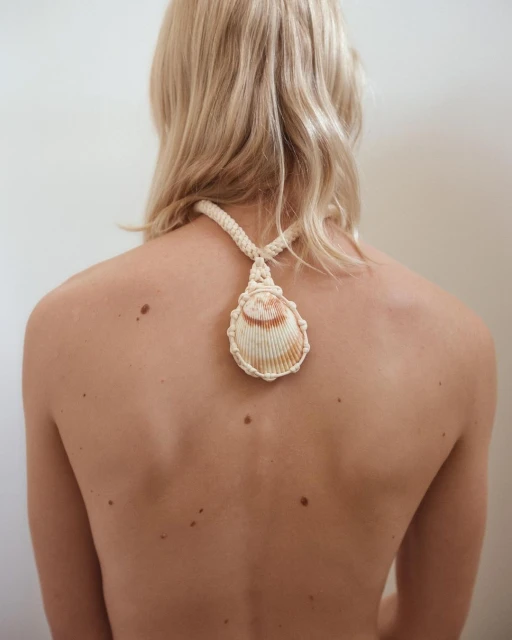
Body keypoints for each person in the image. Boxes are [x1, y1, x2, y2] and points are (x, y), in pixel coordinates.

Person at [22, 1, 496, 639]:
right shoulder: (456, 343)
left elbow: (79, 629)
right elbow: (428, 628)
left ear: (177, 84)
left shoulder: (64, 329)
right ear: (339, 81)